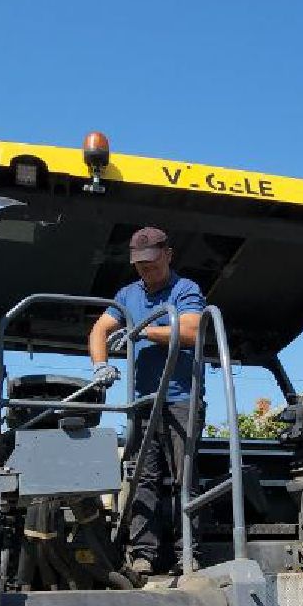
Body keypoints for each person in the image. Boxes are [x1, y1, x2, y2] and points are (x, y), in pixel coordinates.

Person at [87, 227, 206, 580]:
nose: (146, 270)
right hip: (141, 403)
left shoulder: (185, 290)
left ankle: (189, 555)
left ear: (168, 254)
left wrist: (142, 331)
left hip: (181, 399)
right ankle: (144, 556)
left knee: (185, 477)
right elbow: (99, 330)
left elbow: (191, 331)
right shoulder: (126, 294)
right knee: (142, 478)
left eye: (152, 263)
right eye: (140, 265)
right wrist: (100, 364)